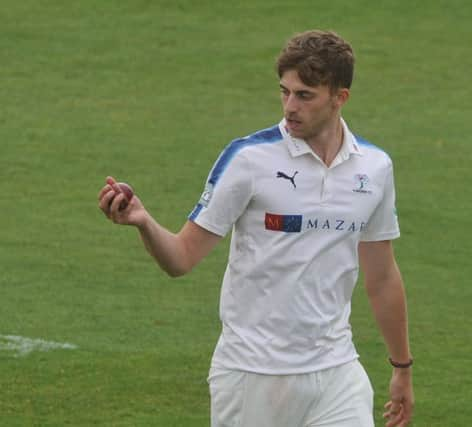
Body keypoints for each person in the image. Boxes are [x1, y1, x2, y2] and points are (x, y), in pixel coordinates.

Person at [98, 30, 414, 427]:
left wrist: (402, 367)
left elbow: (382, 277)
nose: (289, 107)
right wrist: (143, 222)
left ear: (340, 98)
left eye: (304, 95)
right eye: (284, 92)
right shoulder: (249, 159)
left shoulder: (374, 167)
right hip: (251, 377)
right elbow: (181, 258)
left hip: (337, 373)